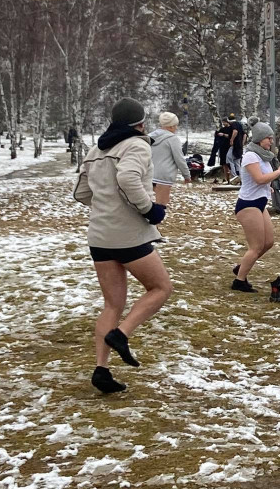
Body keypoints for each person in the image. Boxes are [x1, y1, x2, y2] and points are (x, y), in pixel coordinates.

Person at [73, 97, 173, 394]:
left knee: (112, 304)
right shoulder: (137, 145)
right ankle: (122, 334)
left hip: (99, 236)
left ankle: (101, 370)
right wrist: (149, 210)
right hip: (129, 235)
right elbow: (128, 177)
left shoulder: (96, 149)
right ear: (140, 123)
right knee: (161, 288)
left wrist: (106, 205)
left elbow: (81, 192)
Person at [231, 122, 280, 292]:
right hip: (248, 204)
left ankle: (242, 266)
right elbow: (259, 178)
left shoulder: (263, 155)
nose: (271, 141)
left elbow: (262, 180)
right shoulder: (250, 156)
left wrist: (267, 187)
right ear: (259, 139)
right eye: (268, 138)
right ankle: (239, 282)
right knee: (256, 246)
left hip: (260, 203)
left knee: (268, 242)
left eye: (271, 138)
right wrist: (279, 171)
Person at [148, 112, 191, 205]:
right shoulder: (173, 139)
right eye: (176, 126)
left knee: (147, 205)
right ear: (171, 126)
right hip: (164, 177)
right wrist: (187, 175)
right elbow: (179, 159)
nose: (176, 128)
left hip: (148, 174)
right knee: (161, 205)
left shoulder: (149, 137)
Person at [225, 114, 245, 182]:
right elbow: (244, 134)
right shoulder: (239, 124)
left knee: (229, 159)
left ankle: (234, 176)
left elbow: (235, 131)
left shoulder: (233, 125)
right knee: (237, 161)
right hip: (239, 146)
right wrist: (242, 143)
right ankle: (240, 177)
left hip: (234, 145)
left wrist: (231, 140)